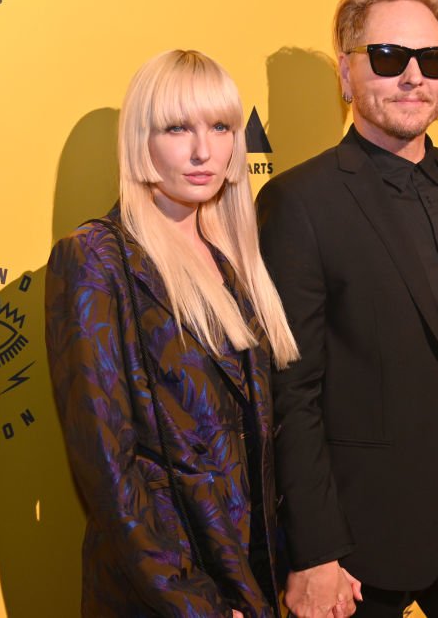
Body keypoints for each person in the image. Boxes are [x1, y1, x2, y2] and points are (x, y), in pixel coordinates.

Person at [257, 0, 438, 618]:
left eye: (432, 59)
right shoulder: (300, 203)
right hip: (357, 548)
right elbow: (291, 393)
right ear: (346, 72)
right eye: (388, 58)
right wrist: (315, 549)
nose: (414, 76)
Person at [46, 49, 299, 617]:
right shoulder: (94, 258)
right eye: (177, 128)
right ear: (141, 139)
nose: (203, 150)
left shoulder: (234, 258)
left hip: (252, 579)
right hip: (164, 597)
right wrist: (192, 604)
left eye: (221, 126)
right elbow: (106, 464)